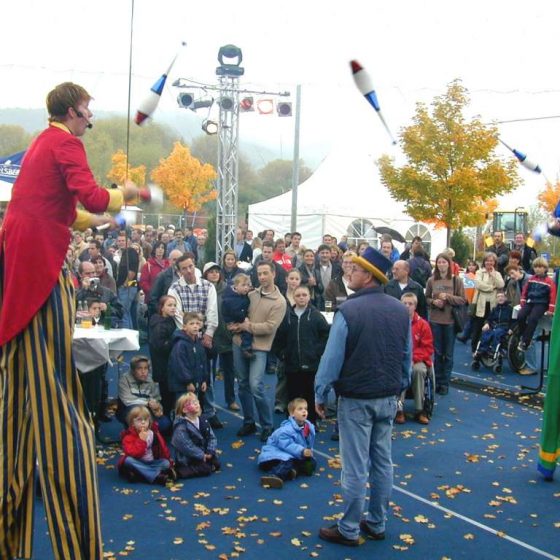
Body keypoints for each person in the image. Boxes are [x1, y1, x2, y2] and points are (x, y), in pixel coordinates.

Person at [0, 82, 139, 560]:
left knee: (16, 406)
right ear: (71, 110)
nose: (89, 120)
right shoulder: (64, 141)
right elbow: (94, 197)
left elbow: (68, 213)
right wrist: (126, 194)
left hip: (26, 256)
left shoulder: (43, 144)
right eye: (87, 112)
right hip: (39, 268)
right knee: (62, 412)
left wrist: (106, 219)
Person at [315, 247, 411, 547]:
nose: (349, 273)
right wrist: (400, 386)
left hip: (357, 399)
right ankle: (377, 522)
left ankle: (349, 528)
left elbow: (332, 359)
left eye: (355, 269)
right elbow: (406, 356)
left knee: (355, 466)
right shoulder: (399, 310)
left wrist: (320, 392)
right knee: (383, 462)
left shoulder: (349, 311)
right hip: (387, 396)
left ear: (368, 275)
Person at [230, 261, 287, 442]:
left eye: (265, 273)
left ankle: (267, 425)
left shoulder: (279, 301)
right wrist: (234, 325)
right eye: (259, 274)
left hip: (260, 348)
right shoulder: (251, 294)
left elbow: (270, 327)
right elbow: (237, 311)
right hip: (239, 343)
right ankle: (248, 421)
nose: (261, 277)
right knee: (243, 384)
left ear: (273, 274)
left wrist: (248, 326)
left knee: (256, 386)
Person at [276, 285, 330, 425]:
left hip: (310, 364)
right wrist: (282, 353)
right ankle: (293, 421)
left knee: (309, 394)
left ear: (309, 296)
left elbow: (325, 335)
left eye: (304, 295)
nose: (301, 298)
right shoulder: (288, 316)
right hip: (292, 363)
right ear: (294, 297)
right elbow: (280, 337)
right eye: (298, 295)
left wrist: (317, 352)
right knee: (292, 394)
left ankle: (311, 420)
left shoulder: (316, 315)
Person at [425, 253, 465, 395]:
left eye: (444, 262)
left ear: (449, 264)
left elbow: (462, 300)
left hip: (450, 321)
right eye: (439, 262)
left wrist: (448, 297)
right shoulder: (431, 280)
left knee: (448, 354)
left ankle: (445, 383)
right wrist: (434, 302)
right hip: (435, 320)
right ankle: (436, 380)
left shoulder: (456, 281)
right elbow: (427, 298)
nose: (441, 265)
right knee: (437, 352)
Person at [258, 398, 316, 489]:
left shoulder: (307, 426)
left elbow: (307, 442)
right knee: (287, 461)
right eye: (300, 409)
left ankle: (292, 470)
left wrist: (308, 452)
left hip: (292, 453)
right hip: (274, 454)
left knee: (312, 462)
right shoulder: (286, 430)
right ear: (292, 414)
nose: (304, 411)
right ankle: (274, 476)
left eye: (305, 408)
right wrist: (302, 451)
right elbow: (287, 445)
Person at [396, 293, 434, 425]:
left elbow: (427, 348)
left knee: (419, 371)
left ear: (415, 306)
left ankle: (420, 409)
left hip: (418, 360)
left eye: (410, 304)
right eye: (404, 303)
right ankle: (398, 409)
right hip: (399, 359)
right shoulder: (395, 323)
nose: (407, 306)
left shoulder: (423, 324)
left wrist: (412, 358)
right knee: (399, 370)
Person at [117, 405, 174, 486]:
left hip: (151, 462)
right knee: (128, 460)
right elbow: (134, 454)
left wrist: (169, 461)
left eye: (145, 420)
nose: (143, 422)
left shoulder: (152, 433)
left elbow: (163, 447)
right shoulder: (128, 437)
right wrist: (141, 441)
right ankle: (156, 476)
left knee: (166, 463)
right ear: (132, 423)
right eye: (139, 420)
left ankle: (140, 475)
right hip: (137, 462)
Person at [117, 355, 171, 434]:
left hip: (148, 412)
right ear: (133, 370)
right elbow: (128, 400)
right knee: (134, 409)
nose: (143, 372)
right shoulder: (124, 380)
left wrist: (158, 409)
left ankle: (149, 436)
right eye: (139, 368)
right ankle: (134, 434)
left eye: (145, 368)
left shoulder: (150, 380)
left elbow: (157, 399)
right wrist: (147, 403)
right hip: (129, 410)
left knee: (165, 423)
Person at [172, 392, 221, 478]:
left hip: (203, 452)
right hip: (188, 457)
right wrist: (201, 455)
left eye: (196, 401)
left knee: (216, 463)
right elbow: (186, 446)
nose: (196, 404)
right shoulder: (181, 426)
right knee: (205, 468)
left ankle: (207, 465)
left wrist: (210, 451)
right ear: (184, 410)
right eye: (192, 403)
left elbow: (211, 437)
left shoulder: (203, 420)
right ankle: (179, 472)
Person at [167, 312, 209, 406]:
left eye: (197, 324)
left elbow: (203, 362)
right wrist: (188, 382)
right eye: (191, 324)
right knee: (183, 409)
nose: (195, 326)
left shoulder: (198, 343)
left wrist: (204, 380)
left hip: (196, 384)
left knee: (193, 409)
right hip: (183, 387)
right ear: (184, 326)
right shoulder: (180, 344)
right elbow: (179, 365)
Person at [517, 257, 556, 351]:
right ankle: (525, 335)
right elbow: (525, 291)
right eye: (535, 267)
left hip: (541, 304)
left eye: (540, 267)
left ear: (545, 268)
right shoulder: (531, 279)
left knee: (532, 318)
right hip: (530, 301)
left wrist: (551, 309)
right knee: (520, 316)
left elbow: (553, 296)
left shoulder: (550, 282)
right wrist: (522, 300)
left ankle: (526, 342)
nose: (537, 269)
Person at [470, 252, 505, 356]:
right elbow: (478, 284)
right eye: (487, 260)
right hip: (481, 303)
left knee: (490, 326)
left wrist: (493, 276)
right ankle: (474, 349)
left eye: (491, 261)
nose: (489, 263)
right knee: (478, 326)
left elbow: (501, 284)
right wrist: (491, 288)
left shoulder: (497, 273)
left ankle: (488, 348)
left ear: (494, 262)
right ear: (484, 262)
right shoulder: (479, 272)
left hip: (492, 304)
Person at [148, 295, 178, 415]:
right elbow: (160, 346)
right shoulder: (160, 325)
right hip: (163, 366)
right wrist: (175, 340)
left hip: (168, 365)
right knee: (166, 395)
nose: (173, 308)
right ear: (162, 308)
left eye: (174, 305)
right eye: (169, 305)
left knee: (169, 395)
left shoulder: (170, 320)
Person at [472, 291, 513, 366]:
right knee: (486, 332)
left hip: (504, 327)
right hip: (494, 326)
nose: (500, 298)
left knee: (496, 333)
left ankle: (493, 351)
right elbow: (489, 318)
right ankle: (482, 350)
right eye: (498, 297)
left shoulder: (510, 309)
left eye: (502, 296)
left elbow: (513, 321)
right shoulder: (494, 309)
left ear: (505, 298)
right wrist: (486, 324)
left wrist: (511, 328)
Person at [222, 273, 253, 357]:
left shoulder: (241, 296)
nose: (246, 287)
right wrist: (244, 319)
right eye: (243, 285)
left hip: (236, 319)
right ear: (236, 286)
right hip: (233, 320)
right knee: (247, 330)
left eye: (248, 285)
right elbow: (236, 312)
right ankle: (246, 347)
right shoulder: (232, 298)